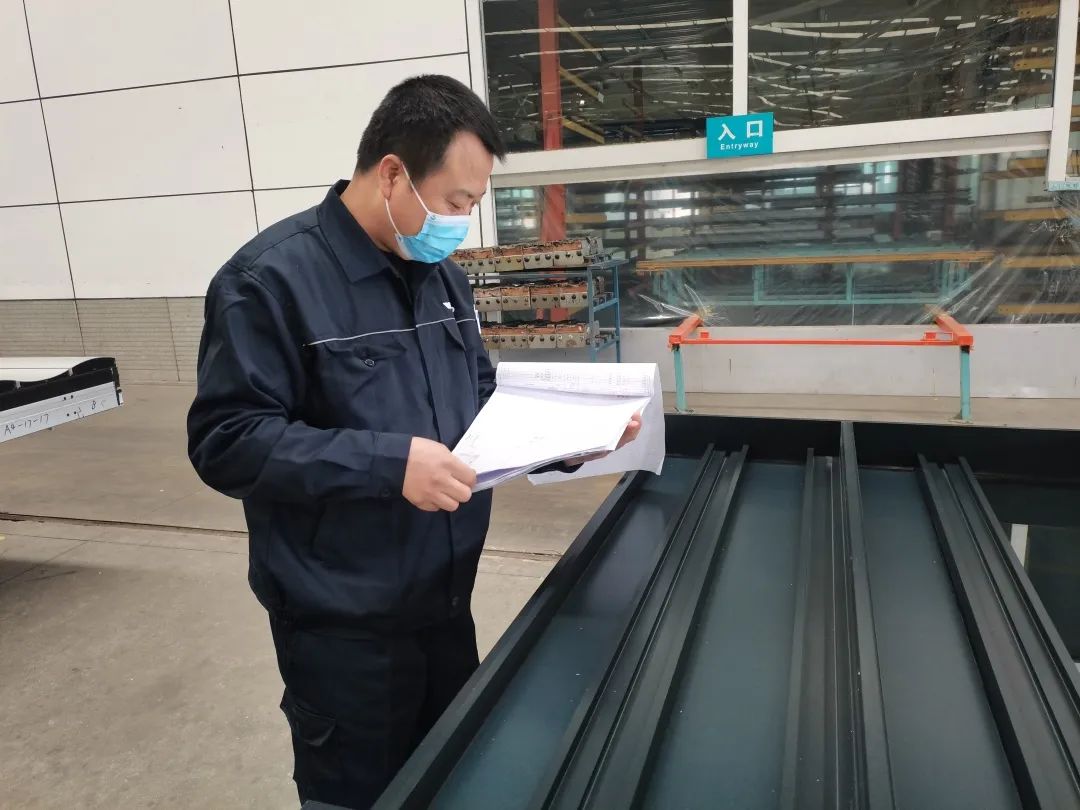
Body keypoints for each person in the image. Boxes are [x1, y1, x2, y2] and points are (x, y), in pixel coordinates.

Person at [187, 74, 640, 809]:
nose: (461, 222)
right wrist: (389, 463)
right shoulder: (268, 282)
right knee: (361, 795)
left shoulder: (441, 280)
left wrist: (567, 439)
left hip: (445, 602)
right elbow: (227, 440)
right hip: (344, 631)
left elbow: (482, 398)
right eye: (455, 202)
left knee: (450, 778)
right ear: (393, 173)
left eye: (472, 204)